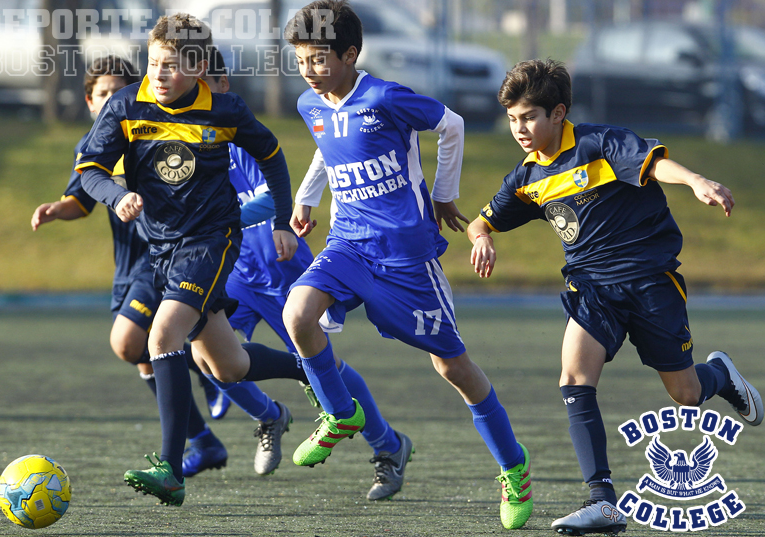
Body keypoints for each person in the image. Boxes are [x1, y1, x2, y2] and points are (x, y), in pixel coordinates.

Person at [468, 58, 763, 535]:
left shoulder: (599, 144)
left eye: (528, 117)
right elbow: (483, 219)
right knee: (574, 378)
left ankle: (721, 376)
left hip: (649, 282)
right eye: (512, 119)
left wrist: (696, 181)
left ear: (558, 113)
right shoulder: (525, 178)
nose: (519, 128)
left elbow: (655, 162)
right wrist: (482, 237)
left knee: (686, 394)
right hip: (592, 290)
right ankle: (603, 501)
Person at [282, 1, 532, 529]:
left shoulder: (386, 97)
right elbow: (329, 146)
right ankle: (341, 412)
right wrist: (306, 197)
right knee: (297, 314)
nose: (308, 70)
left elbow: (453, 124)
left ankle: (514, 467)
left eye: (319, 59)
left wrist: (444, 196)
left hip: (406, 257)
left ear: (351, 55)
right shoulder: (311, 104)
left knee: (453, 368)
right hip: (349, 243)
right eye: (301, 60)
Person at [75, 13, 308, 506]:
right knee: (228, 366)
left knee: (162, 336)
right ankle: (313, 370)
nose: (158, 75)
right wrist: (116, 197)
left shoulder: (223, 110)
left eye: (171, 66)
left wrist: (284, 219)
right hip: (162, 248)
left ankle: (171, 467)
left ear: (199, 66)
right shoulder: (126, 104)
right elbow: (90, 169)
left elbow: (272, 154)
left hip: (211, 240)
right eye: (153, 63)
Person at [202, 47, 415, 500]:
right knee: (207, 354)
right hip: (233, 271)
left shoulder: (239, 137)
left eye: (203, 83)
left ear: (222, 86)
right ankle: (268, 416)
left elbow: (272, 194)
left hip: (280, 268)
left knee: (321, 365)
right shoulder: (182, 145)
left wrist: (230, 217)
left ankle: (388, 446)